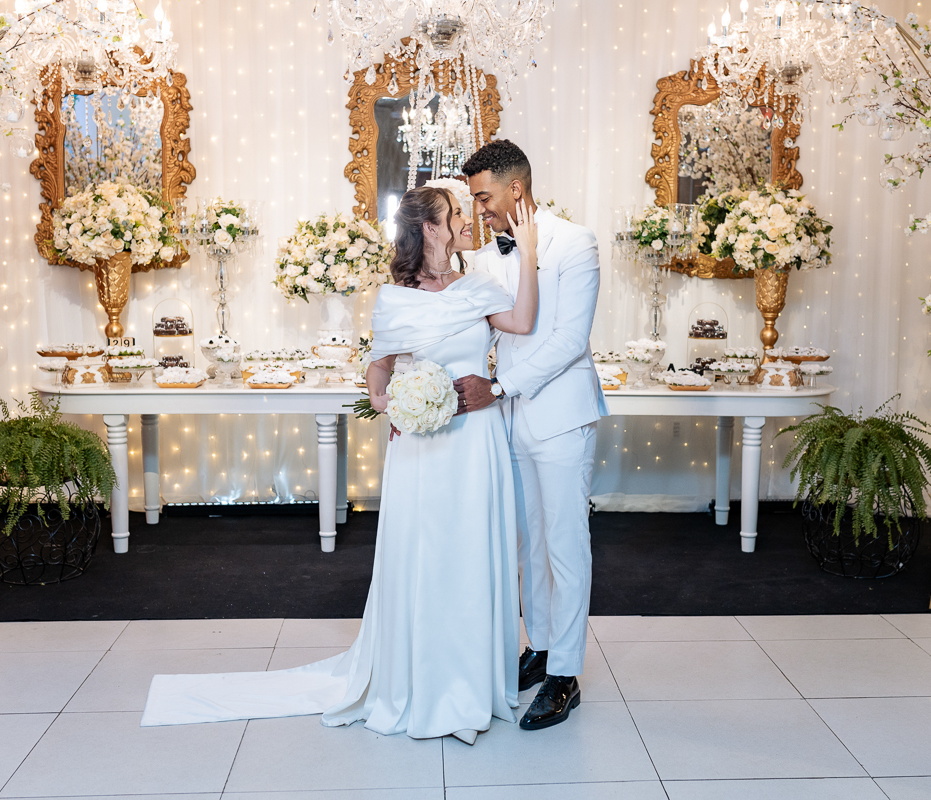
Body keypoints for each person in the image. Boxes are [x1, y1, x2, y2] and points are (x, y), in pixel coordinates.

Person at [140, 186, 541, 747]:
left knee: (472, 550)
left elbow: (523, 321)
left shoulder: (478, 287)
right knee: (426, 555)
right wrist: (393, 403)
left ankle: (472, 680)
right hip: (423, 449)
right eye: (455, 214)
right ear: (431, 228)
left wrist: (530, 252)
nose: (466, 220)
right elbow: (379, 372)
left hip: (477, 443)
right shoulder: (395, 299)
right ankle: (422, 679)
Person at [459, 139, 608, 731]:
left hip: (561, 415)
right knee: (528, 545)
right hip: (509, 422)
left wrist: (500, 386)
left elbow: (570, 339)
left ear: (515, 189)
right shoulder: (486, 255)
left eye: (484, 197)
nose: (479, 210)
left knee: (565, 546)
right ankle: (541, 647)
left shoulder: (575, 242)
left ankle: (565, 674)